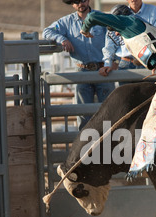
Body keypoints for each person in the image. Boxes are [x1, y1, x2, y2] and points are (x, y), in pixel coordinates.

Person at [80, 5, 156, 186]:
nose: (115, 33)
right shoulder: (141, 25)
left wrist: (85, 29)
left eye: (113, 28)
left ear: (119, 21)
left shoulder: (128, 23)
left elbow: (92, 16)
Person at [43, 0, 115, 130]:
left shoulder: (101, 18)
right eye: (76, 1)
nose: (80, 4)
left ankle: (110, 146)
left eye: (83, 0)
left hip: (103, 69)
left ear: (88, 1)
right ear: (72, 4)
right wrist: (62, 39)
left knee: (109, 111)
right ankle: (86, 147)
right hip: (82, 71)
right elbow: (47, 31)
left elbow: (114, 37)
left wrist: (113, 62)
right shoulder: (66, 22)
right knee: (83, 115)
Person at [99, 0, 156, 82]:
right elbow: (110, 42)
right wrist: (107, 63)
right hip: (126, 63)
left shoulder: (154, 11)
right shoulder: (117, 12)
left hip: (147, 62)